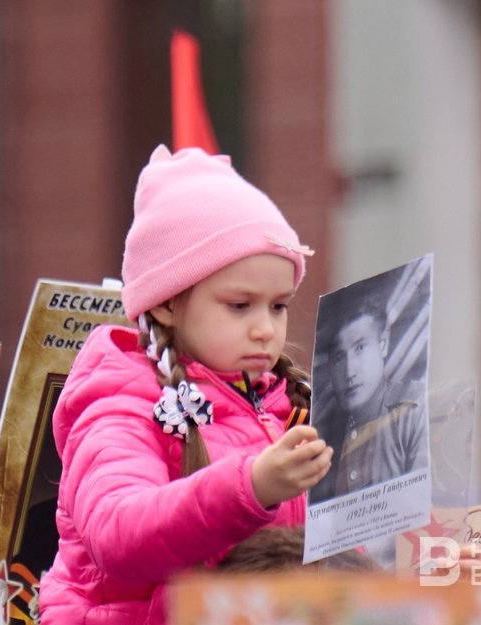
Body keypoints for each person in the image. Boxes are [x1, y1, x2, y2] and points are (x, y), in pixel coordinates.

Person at [39, 145, 334, 625]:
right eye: (239, 305)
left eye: (278, 306)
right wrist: (251, 486)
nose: (265, 329)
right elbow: (118, 532)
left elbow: (344, 565)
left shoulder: (288, 406)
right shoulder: (120, 403)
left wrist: (422, 571)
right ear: (165, 303)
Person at [308, 294, 428, 504]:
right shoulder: (320, 432)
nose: (349, 372)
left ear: (383, 344)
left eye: (360, 348)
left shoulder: (414, 410)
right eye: (338, 357)